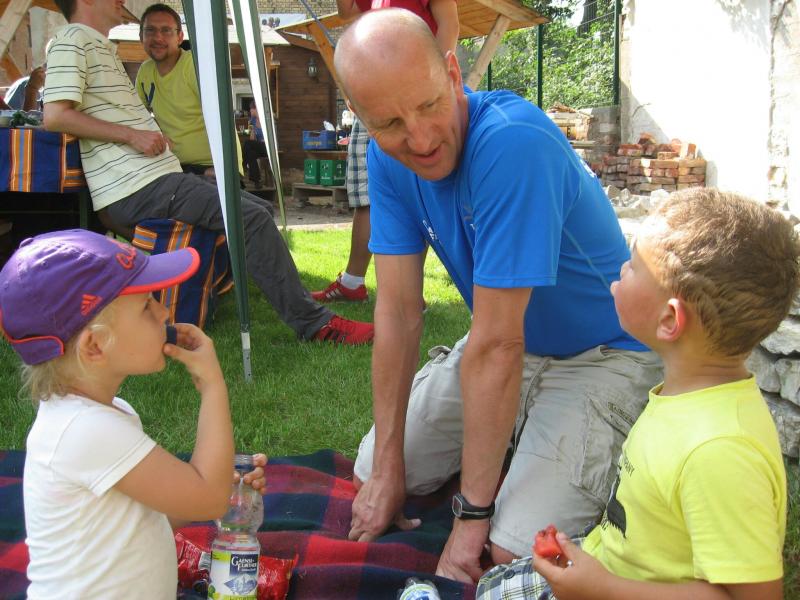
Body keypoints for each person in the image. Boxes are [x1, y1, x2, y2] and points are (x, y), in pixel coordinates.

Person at [336, 10, 663, 583]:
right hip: (508, 342)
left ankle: (532, 453)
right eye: (389, 122)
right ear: (361, 119)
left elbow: (497, 346)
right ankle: (513, 440)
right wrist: (388, 468)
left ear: (453, 73)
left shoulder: (513, 144)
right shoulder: (385, 160)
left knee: (512, 551)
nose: (420, 139)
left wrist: (471, 519)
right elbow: (398, 313)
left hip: (605, 353)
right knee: (370, 472)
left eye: (430, 105)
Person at [477, 188, 798, 600]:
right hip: (611, 565)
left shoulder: (719, 450)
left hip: (614, 588)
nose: (620, 269)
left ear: (669, 320)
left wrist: (603, 588)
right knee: (492, 585)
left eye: (632, 265)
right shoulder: (688, 393)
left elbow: (751, 598)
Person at [44, 0, 373, 346]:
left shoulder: (98, 45)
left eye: (165, 30)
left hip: (155, 178)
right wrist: (134, 135)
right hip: (137, 186)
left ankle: (233, 290)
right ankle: (316, 324)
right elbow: (55, 116)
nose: (122, 1)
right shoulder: (73, 38)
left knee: (259, 211)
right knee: (250, 219)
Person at [0, 229, 267, 597]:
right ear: (95, 346)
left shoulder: (104, 415)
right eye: (146, 306)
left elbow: (145, 519)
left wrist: (223, 478)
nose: (163, 312)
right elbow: (209, 498)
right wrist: (212, 385)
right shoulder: (87, 429)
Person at [311, 0, 457, 302]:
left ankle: (407, 293)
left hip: (410, 92)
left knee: (415, 196)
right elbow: (348, 14)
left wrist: (433, 80)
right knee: (369, 195)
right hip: (379, 100)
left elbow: (449, 24)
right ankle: (361, 283)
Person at [135, 3, 243, 179]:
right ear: (141, 37)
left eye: (166, 30)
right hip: (174, 166)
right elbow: (135, 116)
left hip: (213, 166)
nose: (158, 37)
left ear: (180, 37)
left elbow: (222, 116)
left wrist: (225, 169)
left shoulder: (194, 66)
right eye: (150, 30)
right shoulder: (145, 71)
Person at [243, 100, 269, 188]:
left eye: (251, 109)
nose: (250, 111)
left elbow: (272, 138)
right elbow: (252, 140)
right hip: (259, 146)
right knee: (251, 153)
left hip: (268, 148)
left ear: (256, 109)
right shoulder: (253, 121)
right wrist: (252, 131)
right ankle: (257, 181)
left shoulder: (267, 120)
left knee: (247, 143)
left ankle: (243, 164)